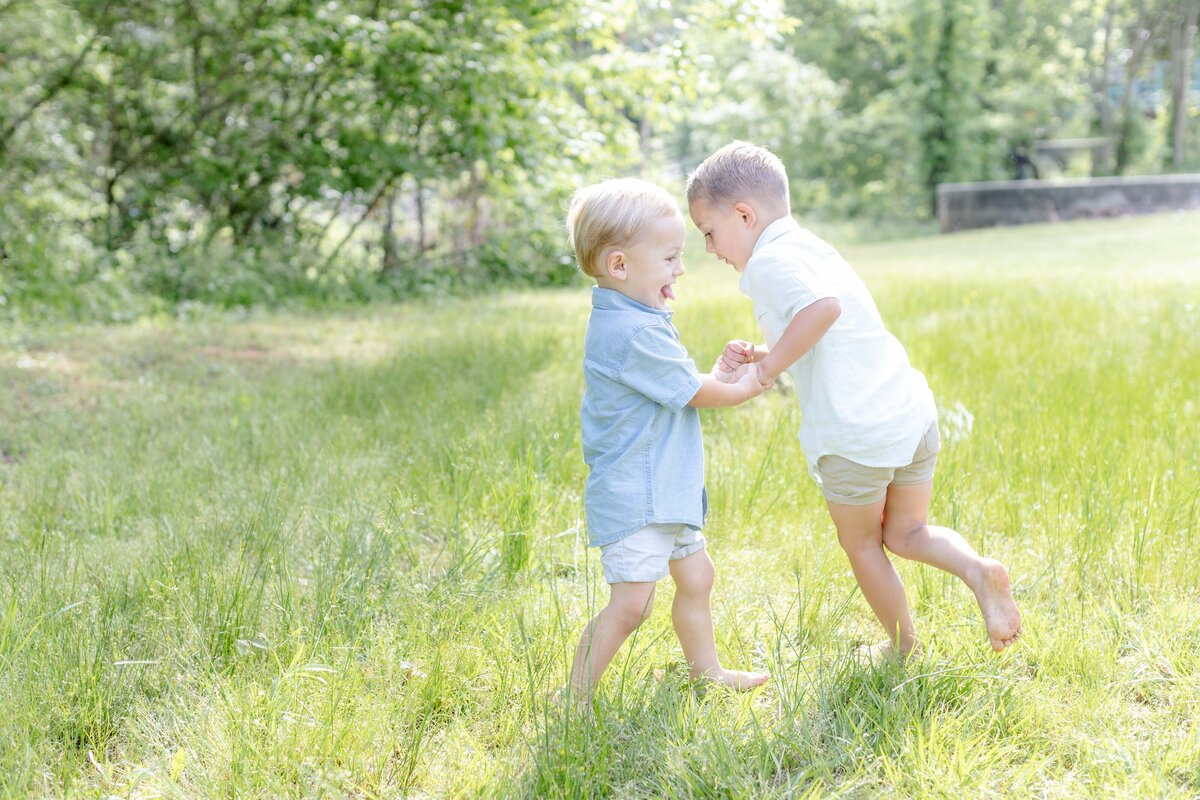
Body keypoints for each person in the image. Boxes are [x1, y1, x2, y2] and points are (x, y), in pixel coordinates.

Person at [687, 141, 1022, 659]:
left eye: (709, 233)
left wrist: (767, 369)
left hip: (855, 435)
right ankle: (978, 570)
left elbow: (822, 311)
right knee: (908, 532)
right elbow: (829, 329)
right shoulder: (812, 247)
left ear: (744, 215)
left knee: (864, 544)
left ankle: (903, 646)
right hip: (908, 413)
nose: (710, 249)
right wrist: (766, 349)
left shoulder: (767, 263)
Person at [564, 177, 771, 704]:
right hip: (639, 496)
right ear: (619, 266)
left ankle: (707, 671)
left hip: (667, 491)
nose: (681, 268)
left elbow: (678, 387)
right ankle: (574, 697)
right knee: (632, 606)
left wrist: (719, 373)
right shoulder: (630, 332)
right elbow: (691, 393)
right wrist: (746, 385)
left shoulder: (639, 318)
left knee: (697, 576)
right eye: (670, 257)